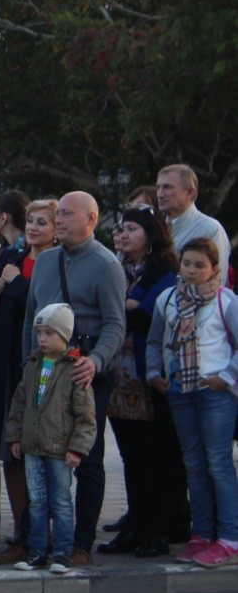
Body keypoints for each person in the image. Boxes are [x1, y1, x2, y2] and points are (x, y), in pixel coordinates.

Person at [20, 191, 126, 565]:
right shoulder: (46, 261)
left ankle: (81, 542)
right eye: (58, 214)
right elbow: (30, 318)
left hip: (84, 373)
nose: (60, 220)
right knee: (39, 453)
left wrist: (96, 361)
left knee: (86, 458)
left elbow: (115, 322)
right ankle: (40, 539)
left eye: (68, 214)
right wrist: (26, 371)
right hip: (45, 372)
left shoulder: (106, 264)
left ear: (91, 219)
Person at [0, 198, 54, 565]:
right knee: (6, 451)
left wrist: (16, 285)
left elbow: (47, 306)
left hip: (37, 370)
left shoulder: (55, 264)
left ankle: (44, 534)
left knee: (35, 454)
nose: (33, 228)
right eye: (31, 221)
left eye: (43, 223)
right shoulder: (10, 257)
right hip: (2, 368)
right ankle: (23, 533)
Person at [146, 238, 238, 568]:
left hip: (215, 394)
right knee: (194, 465)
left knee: (218, 462)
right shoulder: (168, 299)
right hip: (180, 391)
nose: (192, 270)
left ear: (214, 268)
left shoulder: (226, 301)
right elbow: (155, 340)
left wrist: (225, 377)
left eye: (200, 265)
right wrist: (155, 372)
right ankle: (201, 534)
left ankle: (229, 537)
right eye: (187, 263)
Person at [100, 205, 185, 559]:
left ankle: (158, 530)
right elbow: (113, 309)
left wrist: (126, 308)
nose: (122, 234)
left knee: (155, 457)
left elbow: (148, 314)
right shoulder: (118, 270)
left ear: (150, 235)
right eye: (119, 228)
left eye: (131, 228)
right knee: (130, 456)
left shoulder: (164, 270)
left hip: (149, 381)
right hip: (118, 379)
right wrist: (126, 305)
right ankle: (135, 526)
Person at [5, 303, 97, 574]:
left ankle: (62, 553)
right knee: (37, 500)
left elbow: (86, 416)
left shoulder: (74, 368)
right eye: (39, 332)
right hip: (33, 446)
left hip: (60, 449)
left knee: (61, 501)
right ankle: (36, 551)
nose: (42, 338)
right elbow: (19, 403)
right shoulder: (33, 364)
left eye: (49, 333)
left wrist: (77, 449)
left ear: (64, 335)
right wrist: (15, 436)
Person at [156, 164, 230, 282]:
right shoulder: (156, 228)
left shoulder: (210, 228)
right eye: (158, 188)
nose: (160, 194)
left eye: (167, 187)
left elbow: (218, 280)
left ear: (189, 192)